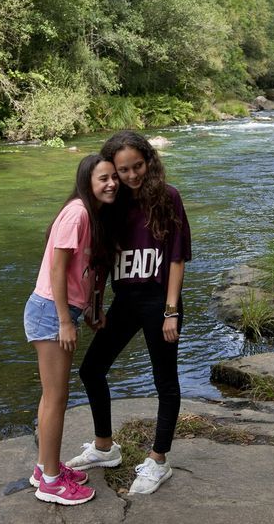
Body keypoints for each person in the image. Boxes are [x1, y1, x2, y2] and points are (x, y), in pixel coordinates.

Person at [66, 131, 192, 495]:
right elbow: (101, 258)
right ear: (112, 170)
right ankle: (105, 448)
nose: (132, 175)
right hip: (125, 301)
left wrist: (171, 311)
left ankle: (158, 460)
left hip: (158, 302)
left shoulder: (168, 198)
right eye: (123, 170)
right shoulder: (112, 202)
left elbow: (177, 257)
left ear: (149, 161)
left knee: (164, 380)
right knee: (91, 369)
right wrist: (96, 303)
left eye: (138, 166)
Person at [23, 154, 118, 506]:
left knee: (54, 396)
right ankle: (50, 482)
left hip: (61, 311)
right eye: (103, 178)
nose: (111, 183)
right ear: (87, 182)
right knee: (56, 398)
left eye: (113, 178)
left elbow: (87, 270)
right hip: (50, 311)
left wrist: (92, 309)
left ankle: (44, 468)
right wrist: (65, 320)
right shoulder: (77, 213)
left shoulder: (92, 215)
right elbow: (57, 270)